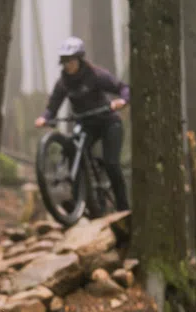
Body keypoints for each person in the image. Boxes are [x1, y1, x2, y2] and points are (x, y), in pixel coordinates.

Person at [35, 36, 131, 212]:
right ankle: (80, 201)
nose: (67, 65)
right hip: (86, 125)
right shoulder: (63, 82)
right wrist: (45, 117)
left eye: (70, 61)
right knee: (74, 152)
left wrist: (122, 101)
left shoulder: (96, 75)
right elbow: (53, 106)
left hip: (108, 122)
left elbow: (123, 88)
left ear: (79, 59)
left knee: (111, 163)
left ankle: (123, 207)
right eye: (64, 61)